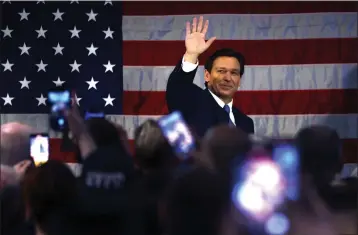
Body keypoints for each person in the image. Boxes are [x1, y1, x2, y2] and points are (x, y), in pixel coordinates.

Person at [166, 16, 254, 137]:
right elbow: (177, 88)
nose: (227, 78)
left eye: (234, 73)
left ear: (239, 81)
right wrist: (191, 55)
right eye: (221, 71)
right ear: (207, 75)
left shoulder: (246, 123)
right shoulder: (192, 102)